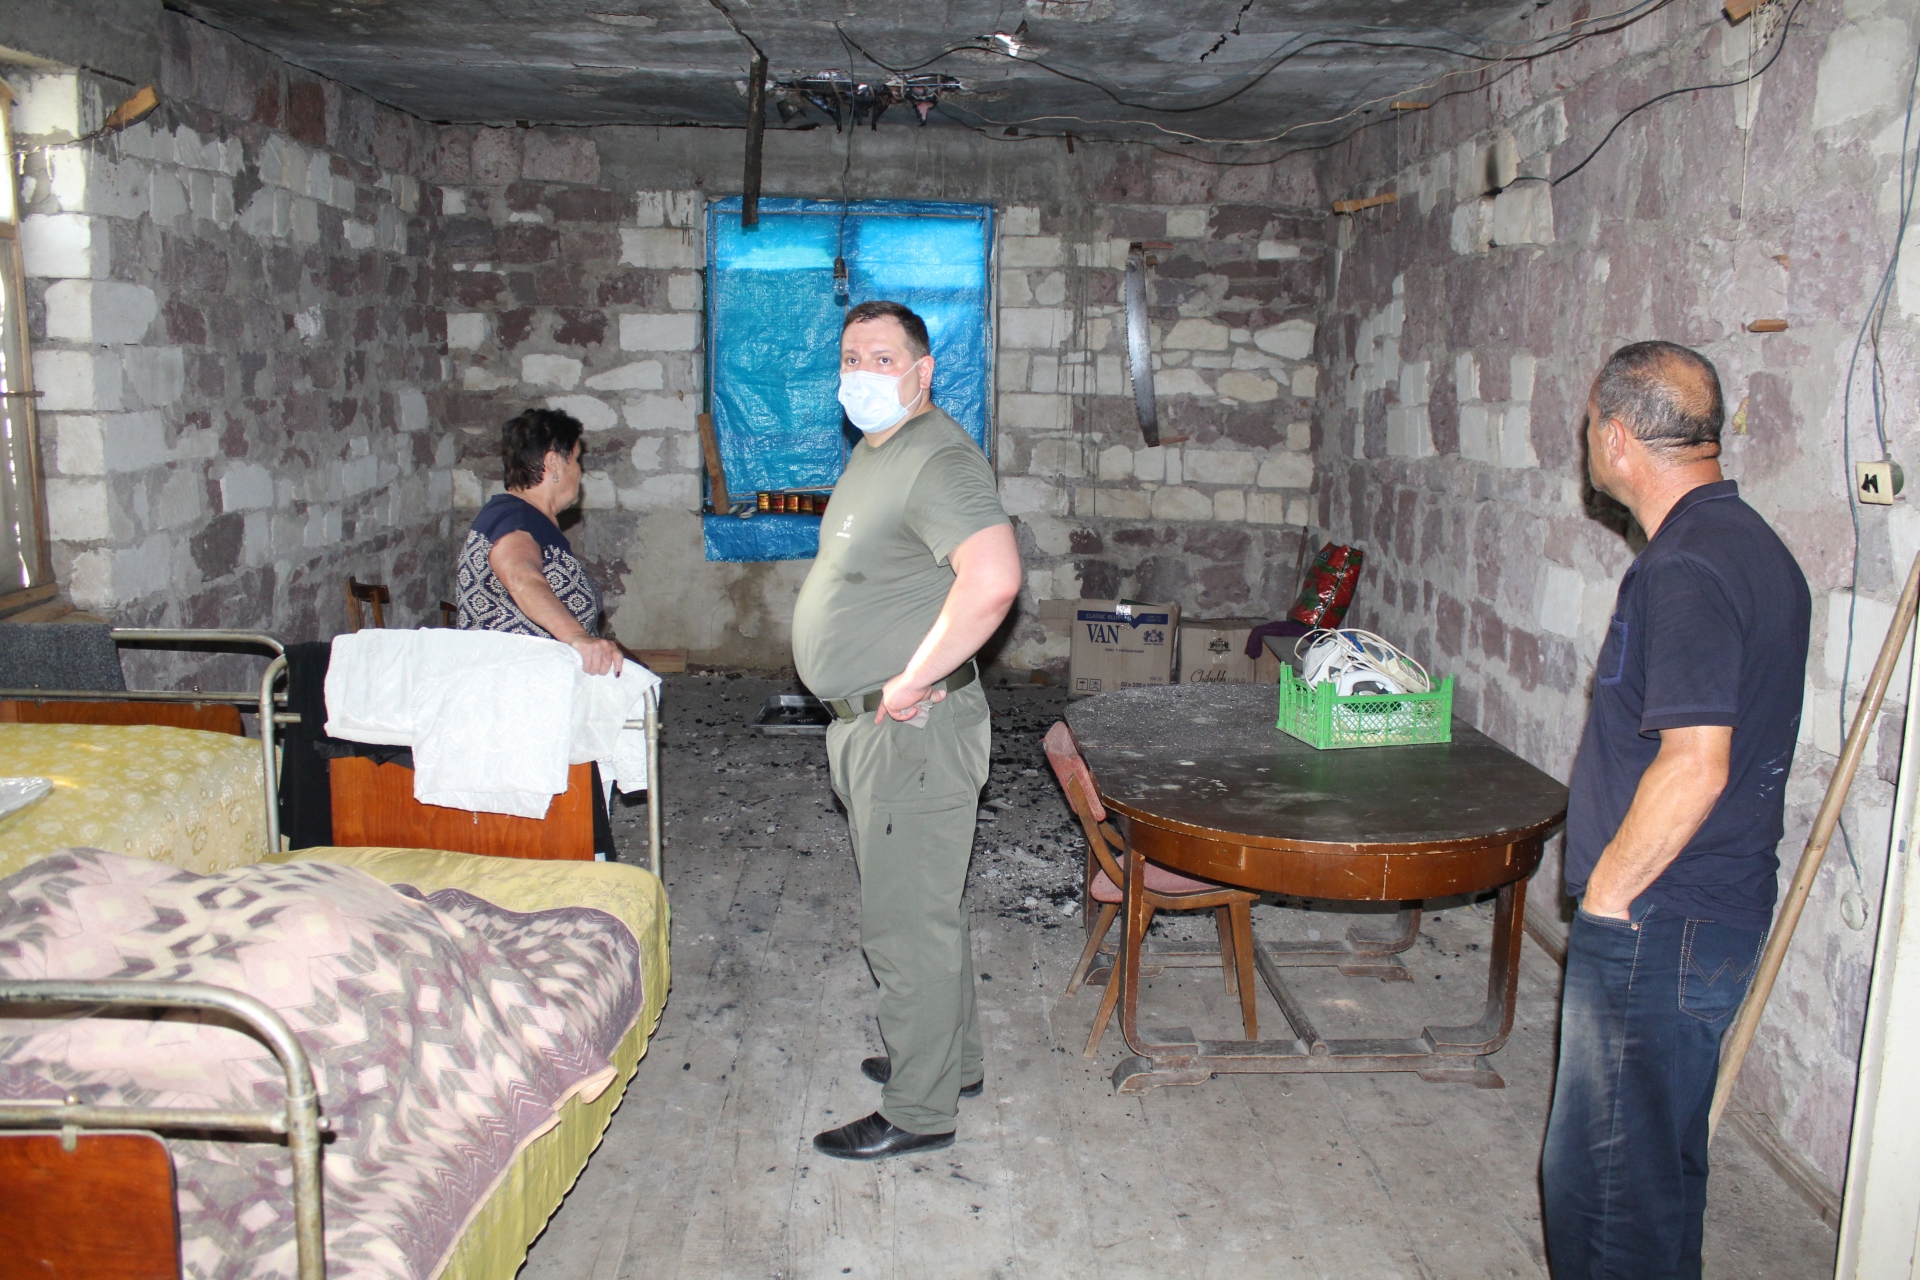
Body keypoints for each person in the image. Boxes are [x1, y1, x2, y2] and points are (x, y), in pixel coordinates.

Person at [1541, 341, 1811, 1278]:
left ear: (1616, 438)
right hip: (1709, 912)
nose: (1588, 441)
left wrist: (1608, 899)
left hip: (1661, 920)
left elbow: (1696, 764)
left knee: (1604, 1194)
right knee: (1652, 1175)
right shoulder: (1752, 547)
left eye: (1589, 425)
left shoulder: (1685, 566)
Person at [792, 300, 1022, 1161]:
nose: (861, 372)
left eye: (882, 358)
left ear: (923, 372)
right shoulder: (876, 450)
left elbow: (993, 580)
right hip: (875, 728)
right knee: (925, 906)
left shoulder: (937, 458)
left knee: (902, 926)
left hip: (910, 730)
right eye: (850, 357)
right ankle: (948, 1061)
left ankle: (920, 1110)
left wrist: (913, 677)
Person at [455, 408, 623, 676]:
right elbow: (521, 578)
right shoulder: (514, 517)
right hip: (514, 686)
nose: (579, 472)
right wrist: (577, 637)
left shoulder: (526, 519)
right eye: (576, 460)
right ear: (553, 462)